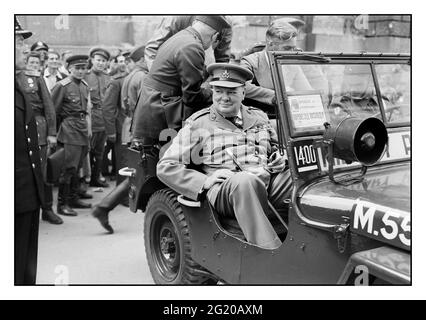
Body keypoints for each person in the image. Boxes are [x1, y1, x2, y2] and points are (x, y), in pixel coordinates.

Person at [157, 63, 292, 250]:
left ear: (243, 93)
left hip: (266, 181)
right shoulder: (199, 123)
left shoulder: (259, 117)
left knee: (299, 176)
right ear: (212, 92)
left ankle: (312, 244)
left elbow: (276, 149)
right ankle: (269, 252)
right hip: (227, 191)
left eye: (231, 92)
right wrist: (205, 181)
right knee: (244, 181)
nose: (224, 98)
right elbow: (166, 166)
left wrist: (279, 159)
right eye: (219, 91)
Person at [132, 16, 231, 147]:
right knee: (172, 161)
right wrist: (214, 94)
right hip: (163, 111)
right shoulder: (193, 47)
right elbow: (191, 96)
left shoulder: (180, 37)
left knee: (155, 159)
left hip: (152, 107)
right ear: (214, 36)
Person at [91, 47, 148, 234]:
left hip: (132, 126)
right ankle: (105, 206)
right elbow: (145, 107)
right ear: (143, 59)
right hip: (139, 128)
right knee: (138, 169)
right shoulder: (141, 77)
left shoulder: (132, 76)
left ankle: (105, 206)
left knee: (136, 170)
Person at [16, 50, 63, 225]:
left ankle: (47, 209)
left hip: (38, 128)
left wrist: (51, 133)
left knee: (42, 171)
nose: (32, 65)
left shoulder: (36, 78)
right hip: (17, 129)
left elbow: (49, 106)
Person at [15, 17, 44, 284]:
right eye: (17, 42)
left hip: (26, 194)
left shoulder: (19, 84)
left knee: (25, 270)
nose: (26, 49)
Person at [51, 55, 92, 216]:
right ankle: (62, 204)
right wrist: (52, 135)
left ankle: (74, 198)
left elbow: (86, 110)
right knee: (68, 168)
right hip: (69, 130)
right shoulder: (62, 86)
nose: (81, 71)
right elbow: (52, 112)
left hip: (82, 129)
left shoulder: (84, 85)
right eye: (77, 68)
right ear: (69, 68)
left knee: (78, 166)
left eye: (83, 68)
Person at [240, 19, 311, 109]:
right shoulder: (251, 62)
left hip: (287, 117)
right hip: (259, 117)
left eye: (294, 48)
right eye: (287, 48)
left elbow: (307, 91)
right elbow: (242, 85)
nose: (291, 53)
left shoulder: (292, 65)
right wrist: (277, 96)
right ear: (270, 44)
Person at [144, 15, 232, 70]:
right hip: (165, 67)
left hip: (195, 68)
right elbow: (152, 48)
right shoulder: (177, 17)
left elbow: (222, 60)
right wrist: (158, 76)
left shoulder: (225, 24)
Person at [85, 47, 111, 188]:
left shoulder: (108, 78)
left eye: (103, 61)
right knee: (89, 149)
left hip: (104, 119)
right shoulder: (86, 76)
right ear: (92, 60)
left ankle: (97, 176)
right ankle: (87, 178)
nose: (100, 63)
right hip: (91, 119)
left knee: (101, 151)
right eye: (98, 60)